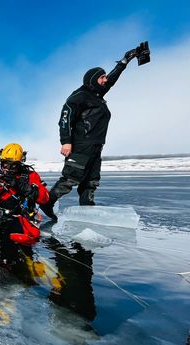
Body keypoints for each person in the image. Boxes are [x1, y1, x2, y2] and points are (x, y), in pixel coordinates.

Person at [40, 44, 148, 221]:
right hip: (81, 144)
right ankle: (47, 202)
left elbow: (112, 79)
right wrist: (65, 141)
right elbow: (65, 118)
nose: (105, 80)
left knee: (91, 180)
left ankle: (87, 209)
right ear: (93, 80)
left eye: (105, 77)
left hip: (96, 145)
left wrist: (125, 60)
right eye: (102, 77)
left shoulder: (96, 94)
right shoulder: (79, 96)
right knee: (71, 178)